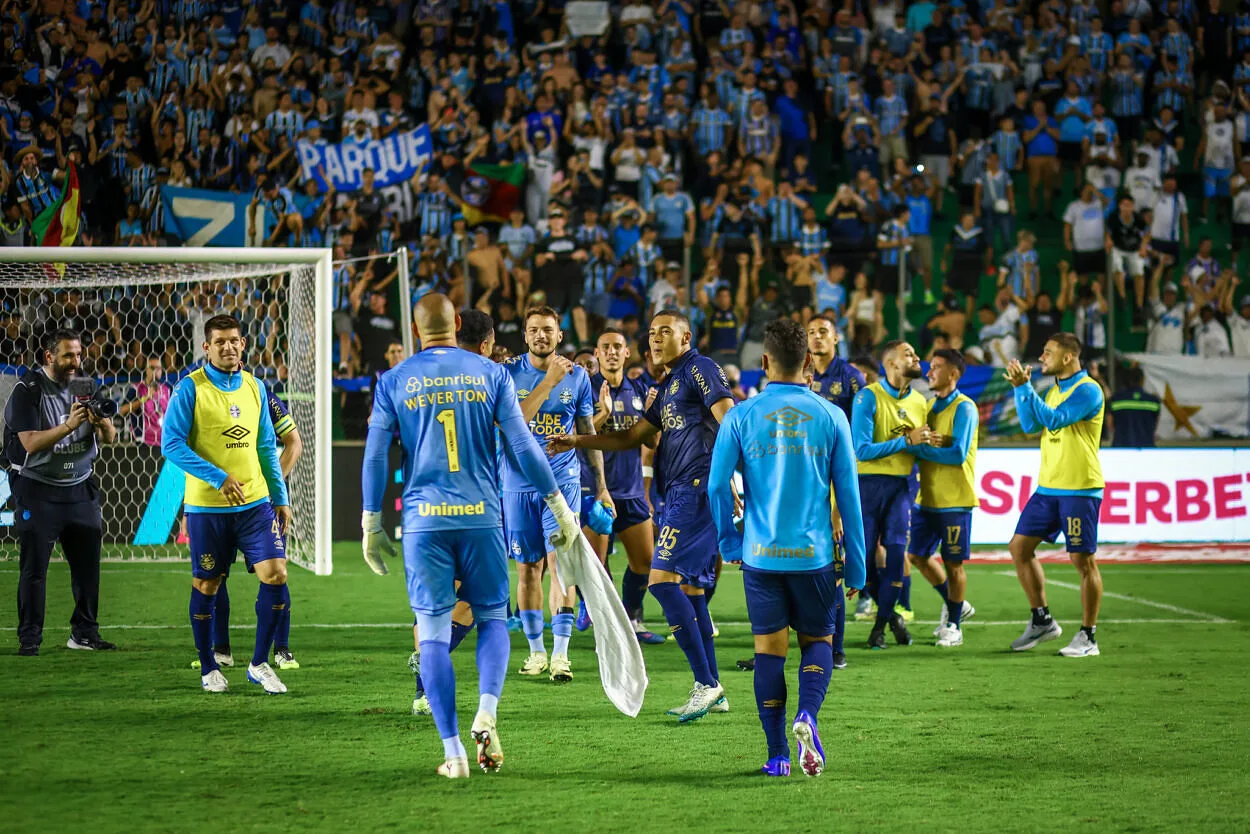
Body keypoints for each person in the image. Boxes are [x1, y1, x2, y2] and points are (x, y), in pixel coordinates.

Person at [360, 294, 580, 778]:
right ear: (457, 324)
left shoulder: (395, 379)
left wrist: (371, 521)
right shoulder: (492, 373)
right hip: (482, 515)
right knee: (492, 620)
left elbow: (376, 456)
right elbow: (522, 444)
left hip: (424, 523)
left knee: (433, 636)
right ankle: (487, 707)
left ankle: (453, 753)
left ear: (418, 332)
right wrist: (558, 504)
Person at [548, 310, 735, 722]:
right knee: (689, 592)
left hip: (700, 488)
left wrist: (732, 480)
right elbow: (633, 436)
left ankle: (706, 683)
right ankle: (714, 688)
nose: (655, 339)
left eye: (665, 332)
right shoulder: (667, 385)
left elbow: (730, 418)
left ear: (686, 337)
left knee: (660, 582)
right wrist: (577, 439)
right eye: (651, 333)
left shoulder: (699, 368)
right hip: (683, 491)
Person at [707, 318, 866, 778]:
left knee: (768, 651)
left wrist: (729, 539)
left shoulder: (740, 415)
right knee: (819, 642)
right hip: (815, 558)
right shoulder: (831, 415)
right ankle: (807, 717)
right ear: (809, 362)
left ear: (763, 362)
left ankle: (777, 755)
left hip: (760, 556)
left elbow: (718, 486)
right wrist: (855, 566)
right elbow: (849, 499)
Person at [161, 315, 293, 693]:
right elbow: (171, 444)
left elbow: (267, 447)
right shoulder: (190, 389)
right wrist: (218, 477)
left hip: (255, 505)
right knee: (207, 583)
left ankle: (259, 663)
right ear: (207, 347)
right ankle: (208, 667)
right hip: (207, 508)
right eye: (220, 342)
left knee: (277, 574)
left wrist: (279, 496)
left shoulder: (255, 386)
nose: (228, 347)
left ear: (243, 343)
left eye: (234, 340)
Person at [502, 306, 608, 683]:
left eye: (548, 330)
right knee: (528, 568)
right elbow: (513, 424)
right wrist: (547, 381)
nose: (541, 336)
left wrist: (602, 484)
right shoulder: (509, 373)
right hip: (516, 484)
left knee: (563, 565)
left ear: (559, 335)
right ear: (525, 335)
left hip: (562, 485)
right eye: (534, 330)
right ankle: (535, 653)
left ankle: (561, 656)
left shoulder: (578, 377)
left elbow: (585, 431)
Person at [4, 329, 118, 655]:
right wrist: (68, 426)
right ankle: (30, 639)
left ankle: (84, 633)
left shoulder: (84, 386)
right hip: (38, 490)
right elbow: (28, 443)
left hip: (80, 488)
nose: (75, 362)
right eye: (68, 355)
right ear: (49, 357)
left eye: (79, 354)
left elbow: (109, 438)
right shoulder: (28, 390)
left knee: (88, 568)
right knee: (35, 569)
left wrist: (101, 422)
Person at [409, 311, 494, 716]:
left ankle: (424, 682)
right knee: (474, 602)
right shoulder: (486, 378)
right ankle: (426, 675)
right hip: (472, 506)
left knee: (436, 603)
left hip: (426, 507)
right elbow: (514, 430)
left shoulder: (418, 376)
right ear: (488, 343)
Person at [191, 378, 305, 672]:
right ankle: (221, 651)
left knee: (275, 571)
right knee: (216, 575)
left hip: (257, 504)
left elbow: (293, 441)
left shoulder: (261, 393)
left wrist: (270, 488)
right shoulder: (200, 393)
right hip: (214, 503)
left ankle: (281, 649)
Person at [1003, 334, 1105, 658]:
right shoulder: (1053, 390)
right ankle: (1042, 619)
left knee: (1082, 561)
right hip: (1049, 487)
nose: (1042, 356)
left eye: (1048, 352)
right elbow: (1032, 423)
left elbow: (1056, 419)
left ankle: (1088, 636)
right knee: (1019, 548)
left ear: (1067, 358)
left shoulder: (1088, 390)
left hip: (1079, 487)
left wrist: (1024, 387)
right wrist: (1022, 389)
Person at [588, 328, 665, 645]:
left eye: (617, 346)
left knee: (645, 562)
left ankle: (632, 618)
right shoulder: (587, 390)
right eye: (605, 347)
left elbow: (652, 442)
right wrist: (602, 415)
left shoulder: (640, 390)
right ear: (596, 353)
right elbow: (580, 439)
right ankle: (604, 627)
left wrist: (651, 417)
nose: (611, 352)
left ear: (627, 352)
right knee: (597, 568)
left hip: (632, 491)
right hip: (596, 490)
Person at [850, 340, 928, 650]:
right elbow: (862, 450)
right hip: (867, 486)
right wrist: (908, 440)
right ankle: (892, 619)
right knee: (866, 563)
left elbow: (917, 447)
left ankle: (879, 628)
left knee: (896, 555)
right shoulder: (867, 398)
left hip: (901, 487)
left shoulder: (921, 402)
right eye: (909, 353)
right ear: (891, 363)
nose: (916, 357)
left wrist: (927, 443)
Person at [905, 349, 979, 648]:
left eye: (936, 367)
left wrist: (917, 448)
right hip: (928, 497)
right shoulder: (929, 406)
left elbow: (957, 453)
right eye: (930, 366)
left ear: (954, 374)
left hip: (955, 500)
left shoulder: (965, 408)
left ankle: (954, 624)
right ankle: (956, 603)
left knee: (953, 563)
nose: (929, 372)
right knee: (917, 556)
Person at [805, 314, 866, 668]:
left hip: (834, 484)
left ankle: (836, 646)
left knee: (833, 569)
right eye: (811, 333)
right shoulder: (803, 375)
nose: (816, 338)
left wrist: (838, 508)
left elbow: (852, 447)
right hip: (807, 482)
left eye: (823, 332)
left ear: (837, 337)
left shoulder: (851, 379)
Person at [1107, 366, 1160, 448]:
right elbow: (1155, 425)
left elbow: (1110, 425)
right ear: (1142, 380)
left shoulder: (1115, 400)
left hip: (1120, 451)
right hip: (1147, 451)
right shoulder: (1154, 401)